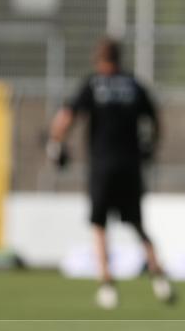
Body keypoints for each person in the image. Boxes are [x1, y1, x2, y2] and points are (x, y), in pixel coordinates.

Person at [48, 37, 173, 310]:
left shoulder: (93, 83)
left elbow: (66, 117)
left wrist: (56, 144)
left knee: (99, 225)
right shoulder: (133, 84)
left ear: (98, 58)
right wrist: (150, 148)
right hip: (130, 165)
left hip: (102, 166)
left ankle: (106, 285)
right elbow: (156, 121)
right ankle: (159, 277)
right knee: (137, 224)